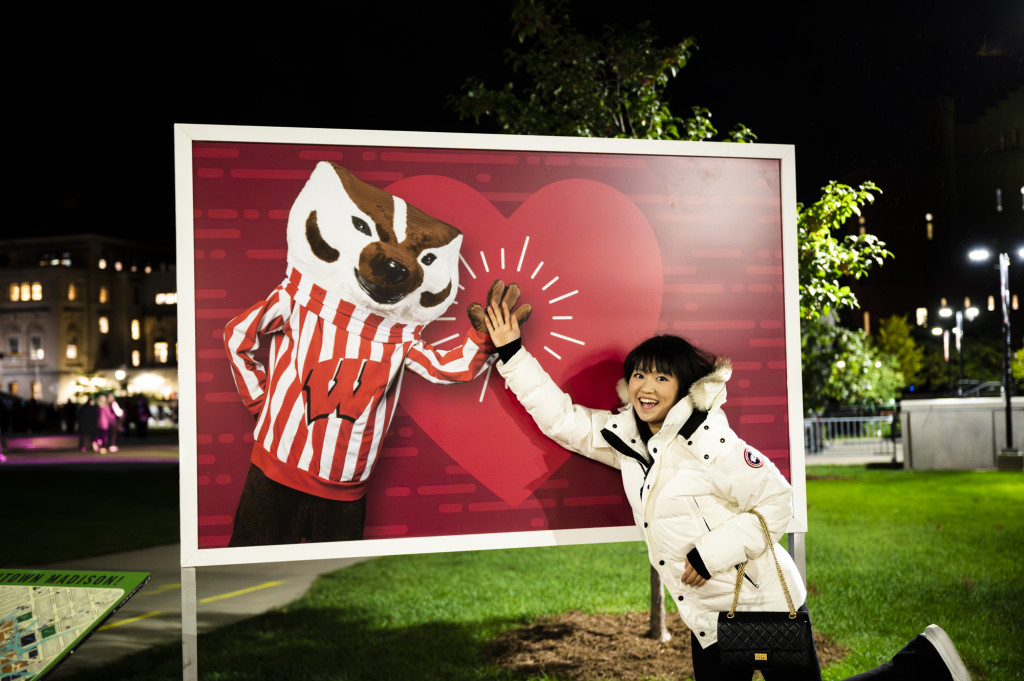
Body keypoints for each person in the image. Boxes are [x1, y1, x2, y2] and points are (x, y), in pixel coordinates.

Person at [480, 291, 972, 681]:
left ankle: (924, 667)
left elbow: (778, 502)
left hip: (765, 604)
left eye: (660, 377)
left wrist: (705, 555)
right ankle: (925, 665)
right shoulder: (625, 437)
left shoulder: (708, 439)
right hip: (706, 619)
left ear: (683, 386)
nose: (645, 387)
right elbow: (562, 419)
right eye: (637, 376)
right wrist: (511, 352)